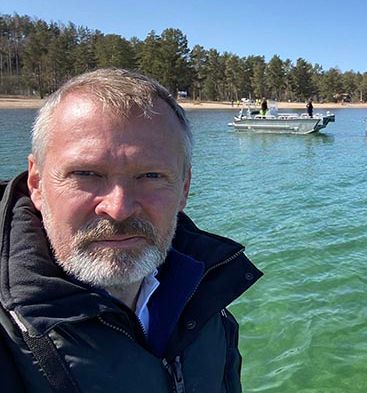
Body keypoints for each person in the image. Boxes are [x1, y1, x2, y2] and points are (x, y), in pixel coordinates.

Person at [0, 68, 262, 392]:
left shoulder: (206, 289)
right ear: (37, 184)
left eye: (150, 176)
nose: (119, 208)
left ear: (184, 188)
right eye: (86, 173)